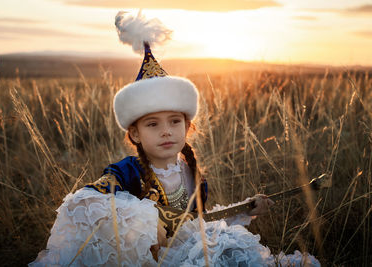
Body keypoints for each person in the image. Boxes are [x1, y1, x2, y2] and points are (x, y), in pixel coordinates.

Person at [30, 11, 320, 267]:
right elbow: (84, 203)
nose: (166, 131)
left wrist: (246, 209)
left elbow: (198, 223)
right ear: (135, 133)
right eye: (153, 124)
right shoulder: (126, 172)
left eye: (174, 121)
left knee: (231, 249)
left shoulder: (192, 174)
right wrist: (143, 221)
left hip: (187, 250)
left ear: (187, 126)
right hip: (151, 259)